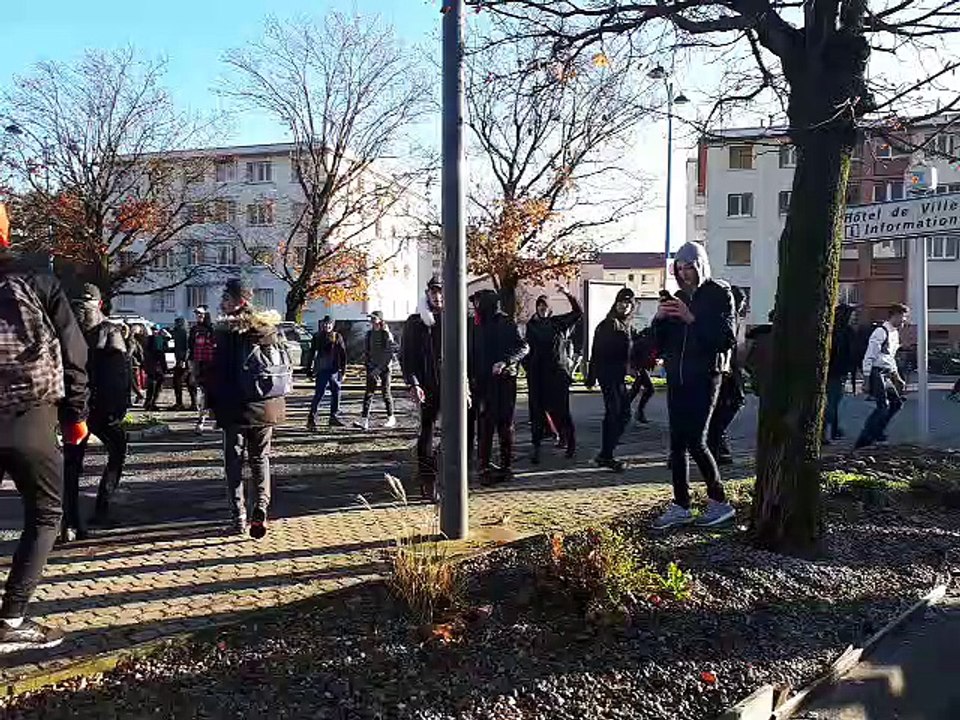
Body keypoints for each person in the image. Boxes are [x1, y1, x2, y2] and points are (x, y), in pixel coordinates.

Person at [0, 205, 89, 651]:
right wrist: (76, 414)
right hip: (30, 416)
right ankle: (12, 619)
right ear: (5, 232)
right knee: (46, 514)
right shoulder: (37, 282)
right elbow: (74, 353)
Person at [651, 241, 737, 530]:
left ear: (700, 266)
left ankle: (719, 500)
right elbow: (658, 344)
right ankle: (681, 504)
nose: (684, 274)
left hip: (705, 376)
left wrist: (691, 318)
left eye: (689, 267)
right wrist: (659, 320)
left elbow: (726, 338)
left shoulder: (719, 293)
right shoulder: (676, 297)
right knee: (676, 444)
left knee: (696, 440)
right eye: (680, 268)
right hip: (677, 376)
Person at [207, 278, 289, 538]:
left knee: (234, 461)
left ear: (239, 301)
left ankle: (238, 515)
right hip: (266, 406)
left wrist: (212, 405)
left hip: (235, 408)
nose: (222, 302)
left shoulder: (226, 332)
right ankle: (261, 507)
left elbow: (217, 374)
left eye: (226, 298)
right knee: (260, 458)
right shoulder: (268, 329)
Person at [63, 284, 130, 537]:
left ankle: (70, 522)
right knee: (118, 449)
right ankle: (102, 506)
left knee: (72, 463)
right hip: (103, 407)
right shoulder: (111, 331)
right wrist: (119, 407)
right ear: (100, 304)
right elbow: (119, 376)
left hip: (74, 405)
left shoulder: (65, 331)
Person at [470, 289, 528, 483]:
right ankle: (484, 466)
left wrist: (506, 361)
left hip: (504, 381)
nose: (476, 306)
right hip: (482, 382)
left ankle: (506, 465)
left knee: (505, 425)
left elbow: (523, 347)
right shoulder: (475, 325)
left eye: (478, 302)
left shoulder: (506, 322)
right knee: (485, 425)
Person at [524, 287, 582, 464]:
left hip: (557, 373)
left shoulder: (559, 323)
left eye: (545, 306)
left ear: (550, 309)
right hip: (537, 373)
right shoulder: (531, 326)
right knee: (537, 411)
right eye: (539, 306)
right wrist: (527, 366)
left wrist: (567, 293)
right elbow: (527, 348)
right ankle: (536, 448)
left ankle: (570, 441)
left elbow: (578, 312)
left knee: (561, 410)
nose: (542, 309)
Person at [586, 287, 640, 472]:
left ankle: (606, 451)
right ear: (615, 304)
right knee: (615, 412)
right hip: (607, 373)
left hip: (618, 375)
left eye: (628, 303)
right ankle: (606, 455)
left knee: (623, 414)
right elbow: (596, 350)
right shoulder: (608, 324)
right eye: (621, 302)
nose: (624, 306)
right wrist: (591, 376)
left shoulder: (627, 325)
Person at [401, 276, 444, 497]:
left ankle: (448, 473)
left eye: (441, 292)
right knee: (427, 431)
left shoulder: (454, 320)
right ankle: (427, 479)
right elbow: (407, 357)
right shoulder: (416, 322)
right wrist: (414, 384)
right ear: (427, 293)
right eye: (434, 292)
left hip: (452, 385)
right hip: (427, 386)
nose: (437, 296)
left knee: (458, 431)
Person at [855, 303, 909, 449]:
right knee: (882, 407)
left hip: (886, 372)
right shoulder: (880, 331)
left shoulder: (895, 333)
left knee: (896, 403)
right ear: (895, 315)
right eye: (903, 318)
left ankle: (878, 432)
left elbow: (890, 357)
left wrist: (896, 377)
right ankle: (864, 440)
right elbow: (869, 356)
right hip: (875, 371)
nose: (904, 321)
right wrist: (866, 380)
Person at [707, 285, 748, 465]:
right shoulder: (723, 317)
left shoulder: (736, 318)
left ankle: (717, 440)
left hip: (732, 368)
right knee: (726, 403)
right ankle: (716, 441)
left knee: (733, 401)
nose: (742, 306)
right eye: (741, 302)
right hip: (723, 368)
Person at [354, 311, 399, 431]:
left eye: (374, 318)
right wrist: (369, 366)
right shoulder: (369, 334)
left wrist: (379, 368)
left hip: (385, 368)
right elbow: (367, 352)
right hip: (372, 367)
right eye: (371, 318)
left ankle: (391, 417)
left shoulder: (386, 334)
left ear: (380, 319)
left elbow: (389, 353)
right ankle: (364, 420)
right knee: (368, 393)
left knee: (386, 392)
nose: (372, 320)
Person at [305, 316, 347, 430]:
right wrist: (309, 369)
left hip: (334, 369)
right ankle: (311, 418)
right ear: (321, 325)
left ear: (332, 325)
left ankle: (334, 417)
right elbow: (312, 353)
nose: (326, 326)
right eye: (325, 324)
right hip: (322, 369)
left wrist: (343, 370)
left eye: (329, 324)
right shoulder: (317, 336)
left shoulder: (337, 336)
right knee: (319, 394)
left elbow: (343, 354)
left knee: (336, 393)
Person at [824, 303, 856, 444]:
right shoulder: (843, 332)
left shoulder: (836, 330)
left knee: (834, 402)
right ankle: (822, 432)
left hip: (836, 372)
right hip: (836, 372)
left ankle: (835, 430)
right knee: (831, 403)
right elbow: (849, 353)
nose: (853, 318)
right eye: (851, 315)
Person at [188, 306, 217, 433]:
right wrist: (191, 365)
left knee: (214, 394)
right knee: (202, 394)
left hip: (211, 366)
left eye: (201, 314)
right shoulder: (194, 329)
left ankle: (216, 419)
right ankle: (201, 421)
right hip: (198, 365)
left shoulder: (213, 330)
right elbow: (191, 346)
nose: (198, 316)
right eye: (197, 314)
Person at [628, 326, 658, 425]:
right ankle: (637, 412)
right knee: (649, 388)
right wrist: (634, 367)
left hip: (642, 366)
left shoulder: (651, 338)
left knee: (636, 389)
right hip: (640, 366)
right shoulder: (646, 339)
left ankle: (624, 409)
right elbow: (635, 352)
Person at [171, 317, 196, 411]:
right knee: (188, 383)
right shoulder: (181, 331)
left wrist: (183, 360)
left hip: (184, 361)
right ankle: (191, 403)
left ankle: (181, 403)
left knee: (180, 382)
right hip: (182, 360)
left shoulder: (183, 332)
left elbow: (186, 347)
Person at [143, 325, 168, 411]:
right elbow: (159, 353)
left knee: (154, 385)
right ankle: (150, 403)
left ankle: (150, 402)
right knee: (153, 385)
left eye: (155, 330)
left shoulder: (153, 339)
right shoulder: (155, 339)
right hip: (155, 365)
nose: (154, 331)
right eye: (153, 330)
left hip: (154, 364)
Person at [127, 324, 146, 406]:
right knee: (132, 382)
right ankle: (138, 397)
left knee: (132, 382)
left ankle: (140, 396)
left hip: (132, 363)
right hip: (135, 363)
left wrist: (126, 358)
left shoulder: (131, 340)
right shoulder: (138, 340)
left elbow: (130, 353)